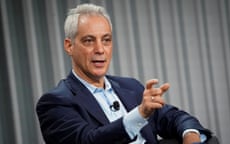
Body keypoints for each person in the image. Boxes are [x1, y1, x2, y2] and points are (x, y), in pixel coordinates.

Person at [36, 3, 213, 144]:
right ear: (69, 46)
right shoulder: (54, 102)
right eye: (89, 41)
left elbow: (176, 118)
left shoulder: (131, 87)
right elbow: (87, 140)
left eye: (106, 40)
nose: (100, 49)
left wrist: (191, 137)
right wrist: (139, 114)